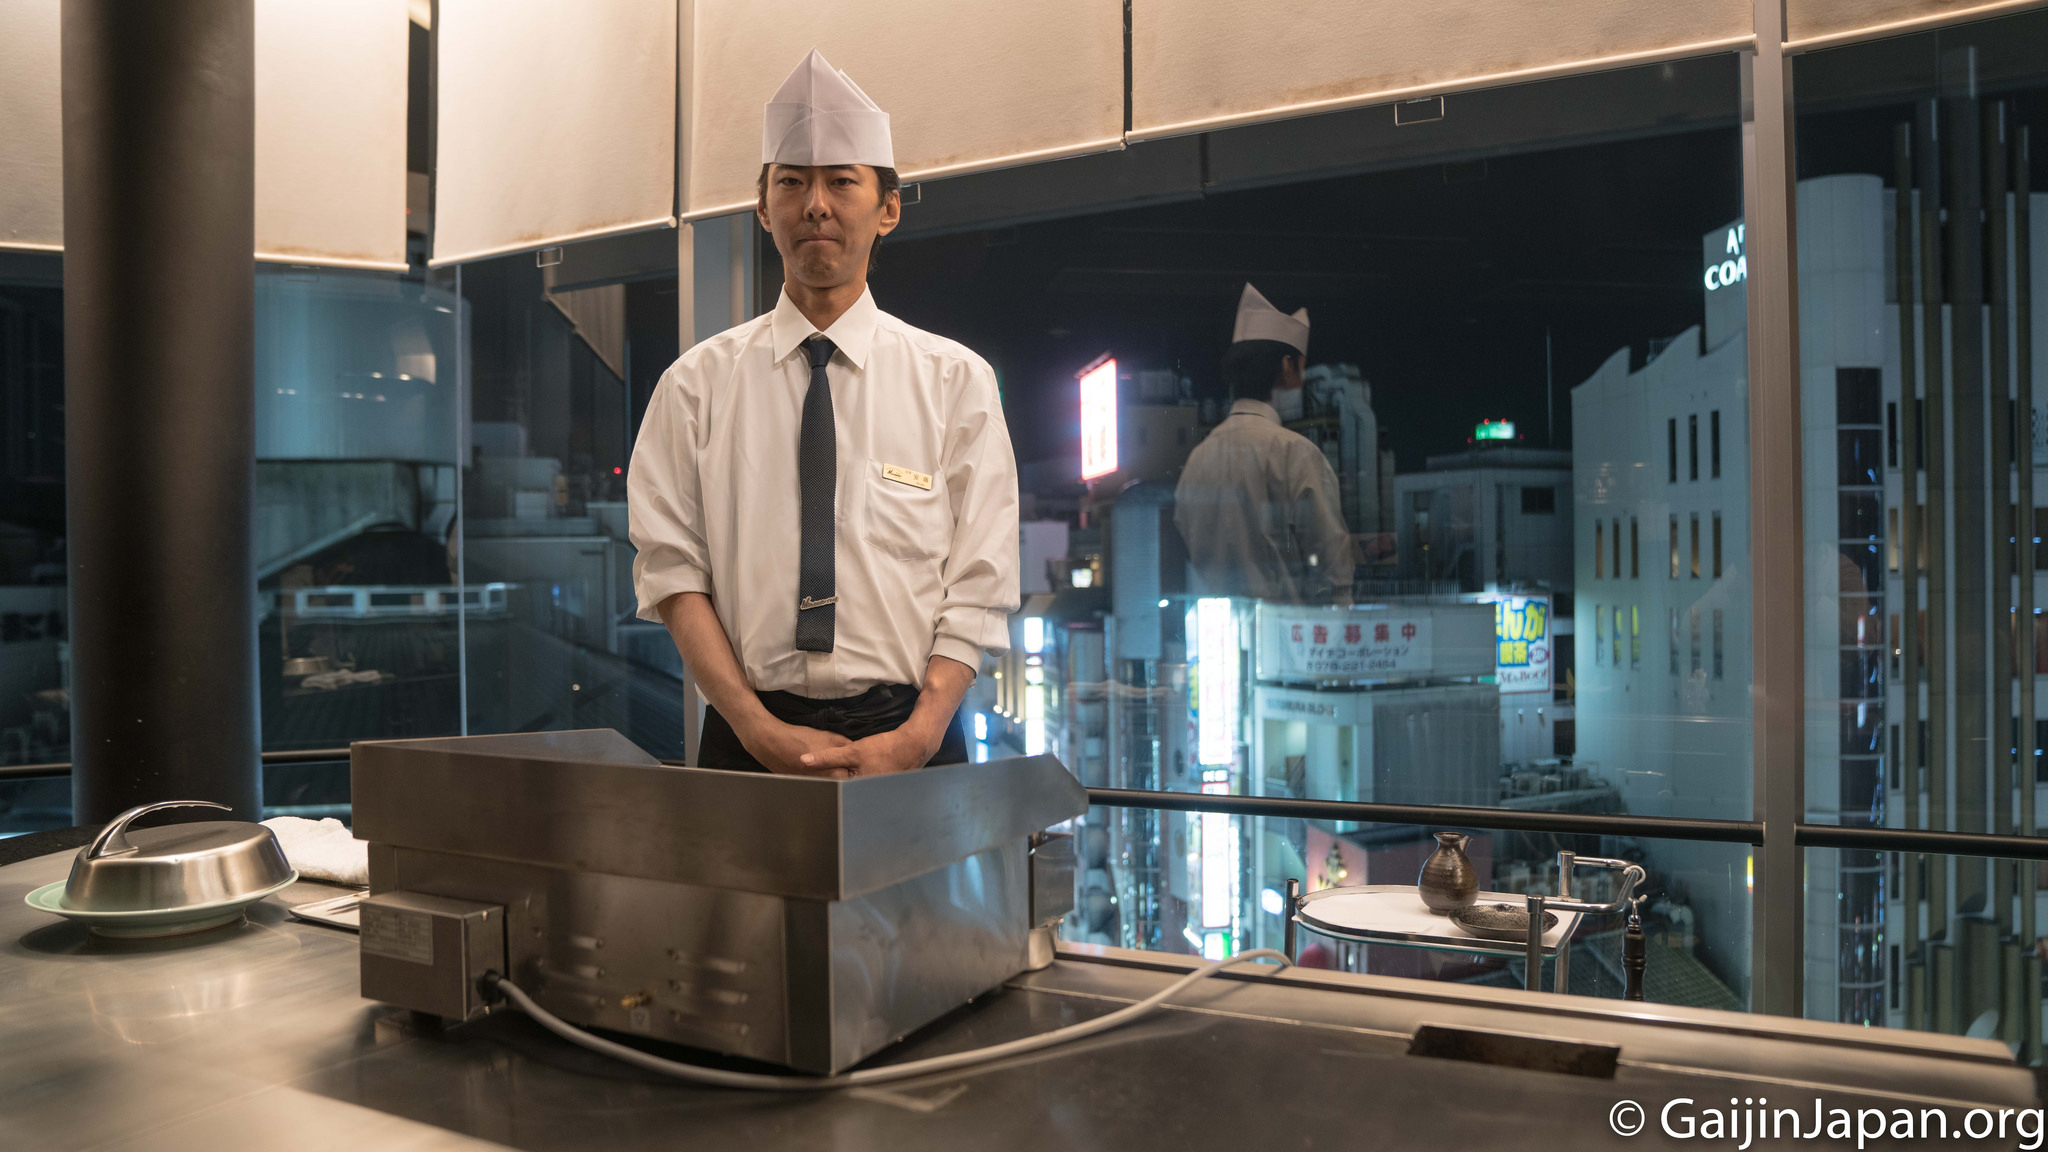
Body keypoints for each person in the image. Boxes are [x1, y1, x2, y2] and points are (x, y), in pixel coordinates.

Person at [629, 49, 1019, 777]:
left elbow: (982, 577)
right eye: (791, 182)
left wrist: (920, 734)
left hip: (915, 735)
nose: (816, 204)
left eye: (842, 181)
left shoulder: (955, 381)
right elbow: (672, 571)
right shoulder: (694, 387)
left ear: (888, 208)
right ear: (762, 207)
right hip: (747, 737)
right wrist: (754, 728)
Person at [1173, 284, 1354, 604]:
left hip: (1218, 629)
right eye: (1300, 368)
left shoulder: (1198, 458)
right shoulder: (1294, 452)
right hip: (1289, 628)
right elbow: (1332, 566)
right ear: (1286, 365)